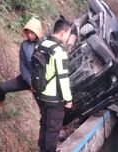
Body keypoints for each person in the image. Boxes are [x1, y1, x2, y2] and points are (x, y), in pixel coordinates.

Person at [35, 18, 73, 152]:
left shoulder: (41, 44)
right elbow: (63, 79)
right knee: (53, 129)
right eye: (68, 33)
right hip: (54, 98)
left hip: (40, 93)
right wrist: (68, 99)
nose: (68, 37)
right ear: (62, 33)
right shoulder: (59, 52)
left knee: (44, 124)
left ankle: (42, 149)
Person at [0, 17, 43, 108]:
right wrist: (30, 82)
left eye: (32, 33)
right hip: (26, 79)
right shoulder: (24, 45)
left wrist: (37, 84)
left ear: (37, 33)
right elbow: (23, 65)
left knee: (45, 109)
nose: (30, 35)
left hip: (40, 83)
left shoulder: (44, 45)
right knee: (1, 88)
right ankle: (0, 105)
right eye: (28, 32)